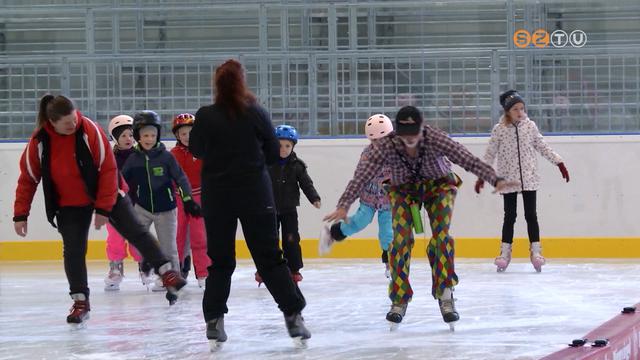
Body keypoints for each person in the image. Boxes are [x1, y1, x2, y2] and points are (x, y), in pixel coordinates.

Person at [324, 105, 517, 330]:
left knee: (441, 237)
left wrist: (496, 179)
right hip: (403, 191)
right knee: (400, 241)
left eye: (413, 135)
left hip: (439, 187)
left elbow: (467, 159)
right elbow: (361, 176)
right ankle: (399, 299)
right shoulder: (385, 146)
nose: (409, 141)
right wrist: (343, 205)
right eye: (405, 136)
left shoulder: (435, 138)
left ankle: (445, 293)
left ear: (421, 128)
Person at [13, 95, 186, 326]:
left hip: (108, 192)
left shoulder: (89, 130)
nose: (73, 125)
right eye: (66, 123)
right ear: (52, 122)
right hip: (69, 203)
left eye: (74, 119)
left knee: (136, 230)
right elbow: (28, 178)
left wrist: (103, 209)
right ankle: (80, 301)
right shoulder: (40, 141)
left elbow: (107, 169)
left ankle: (167, 272)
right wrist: (20, 214)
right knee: (73, 251)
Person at [190, 59, 310, 350]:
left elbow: (195, 149)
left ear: (216, 85)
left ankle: (214, 320)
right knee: (270, 258)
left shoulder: (206, 115)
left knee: (220, 261)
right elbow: (272, 152)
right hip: (255, 194)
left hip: (218, 197)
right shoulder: (256, 112)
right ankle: (293, 315)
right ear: (242, 82)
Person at [475, 90, 570, 273]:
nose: (520, 112)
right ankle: (505, 253)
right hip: (508, 179)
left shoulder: (530, 126)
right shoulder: (499, 130)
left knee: (531, 215)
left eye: (522, 108)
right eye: (516, 109)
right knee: (509, 216)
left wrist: (559, 162)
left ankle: (536, 251)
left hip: (529, 177)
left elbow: (542, 146)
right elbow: (490, 154)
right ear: (507, 111)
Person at [122, 110, 202, 292]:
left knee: (169, 247)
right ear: (137, 136)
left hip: (166, 208)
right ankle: (148, 261)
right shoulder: (134, 159)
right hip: (142, 207)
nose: (149, 139)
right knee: (137, 241)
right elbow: (121, 181)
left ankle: (173, 277)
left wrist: (188, 199)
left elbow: (181, 178)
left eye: (153, 134)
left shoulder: (166, 157)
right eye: (145, 135)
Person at [319, 114, 394, 279]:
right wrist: (343, 206)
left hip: (390, 200)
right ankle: (332, 234)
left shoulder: (400, 152)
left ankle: (390, 263)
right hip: (370, 196)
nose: (379, 144)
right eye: (374, 140)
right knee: (359, 221)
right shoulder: (368, 154)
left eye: (383, 139)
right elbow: (358, 179)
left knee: (387, 232)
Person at [254, 124, 320, 285]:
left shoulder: (297, 165)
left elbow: (306, 184)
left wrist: (314, 198)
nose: (283, 149)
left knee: (291, 239)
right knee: (269, 240)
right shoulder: (265, 162)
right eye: (279, 145)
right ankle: (265, 269)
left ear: (293, 146)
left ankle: (294, 269)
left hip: (289, 209)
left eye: (287, 146)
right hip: (268, 209)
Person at [103, 114, 147, 291]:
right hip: (115, 207)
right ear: (115, 138)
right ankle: (115, 268)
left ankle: (144, 267)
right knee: (115, 239)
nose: (128, 139)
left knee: (138, 239)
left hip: (137, 206)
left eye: (131, 135)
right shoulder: (109, 158)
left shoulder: (141, 156)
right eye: (123, 136)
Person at [170, 113, 210, 288]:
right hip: (178, 198)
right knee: (177, 235)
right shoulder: (173, 154)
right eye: (183, 133)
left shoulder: (203, 152)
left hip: (199, 198)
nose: (187, 137)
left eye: (191, 133)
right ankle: (174, 273)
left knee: (199, 237)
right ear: (177, 136)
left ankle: (203, 272)